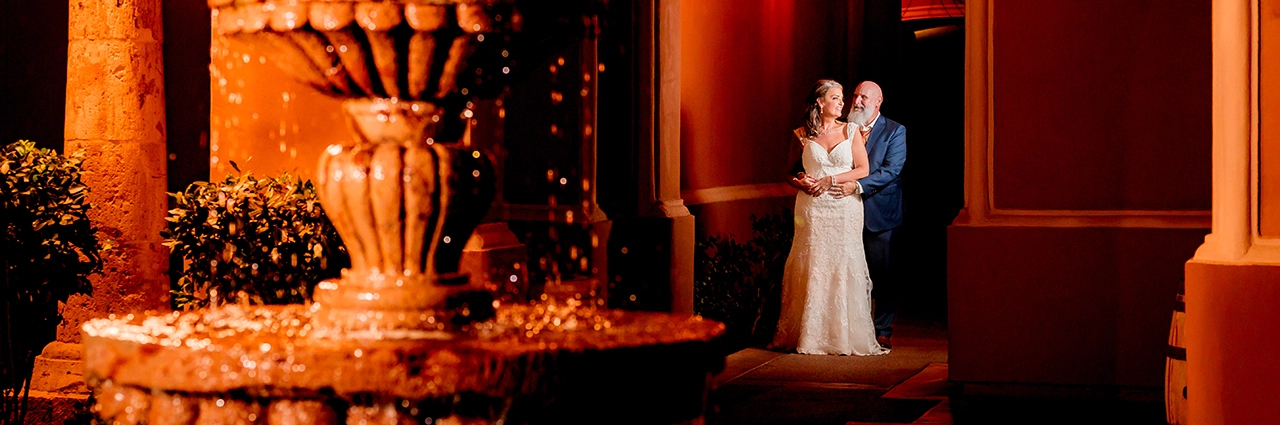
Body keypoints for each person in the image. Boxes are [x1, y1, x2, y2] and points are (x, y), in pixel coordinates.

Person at [770, 79, 887, 356]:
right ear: (820, 102)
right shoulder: (801, 134)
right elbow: (789, 172)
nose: (841, 103)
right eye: (835, 98)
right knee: (813, 262)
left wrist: (831, 178)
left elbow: (863, 168)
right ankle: (808, 333)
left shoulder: (851, 130)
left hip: (844, 207)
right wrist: (799, 181)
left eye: (841, 98)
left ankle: (843, 334)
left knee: (843, 261)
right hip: (812, 208)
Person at [827, 81, 906, 349]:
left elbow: (891, 170)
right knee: (849, 270)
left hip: (879, 213)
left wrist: (858, 186)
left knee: (882, 272)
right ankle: (851, 327)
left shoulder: (895, 131)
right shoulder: (843, 129)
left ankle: (882, 329)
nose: (858, 101)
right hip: (844, 211)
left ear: (878, 101)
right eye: (856, 95)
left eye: (864, 97)